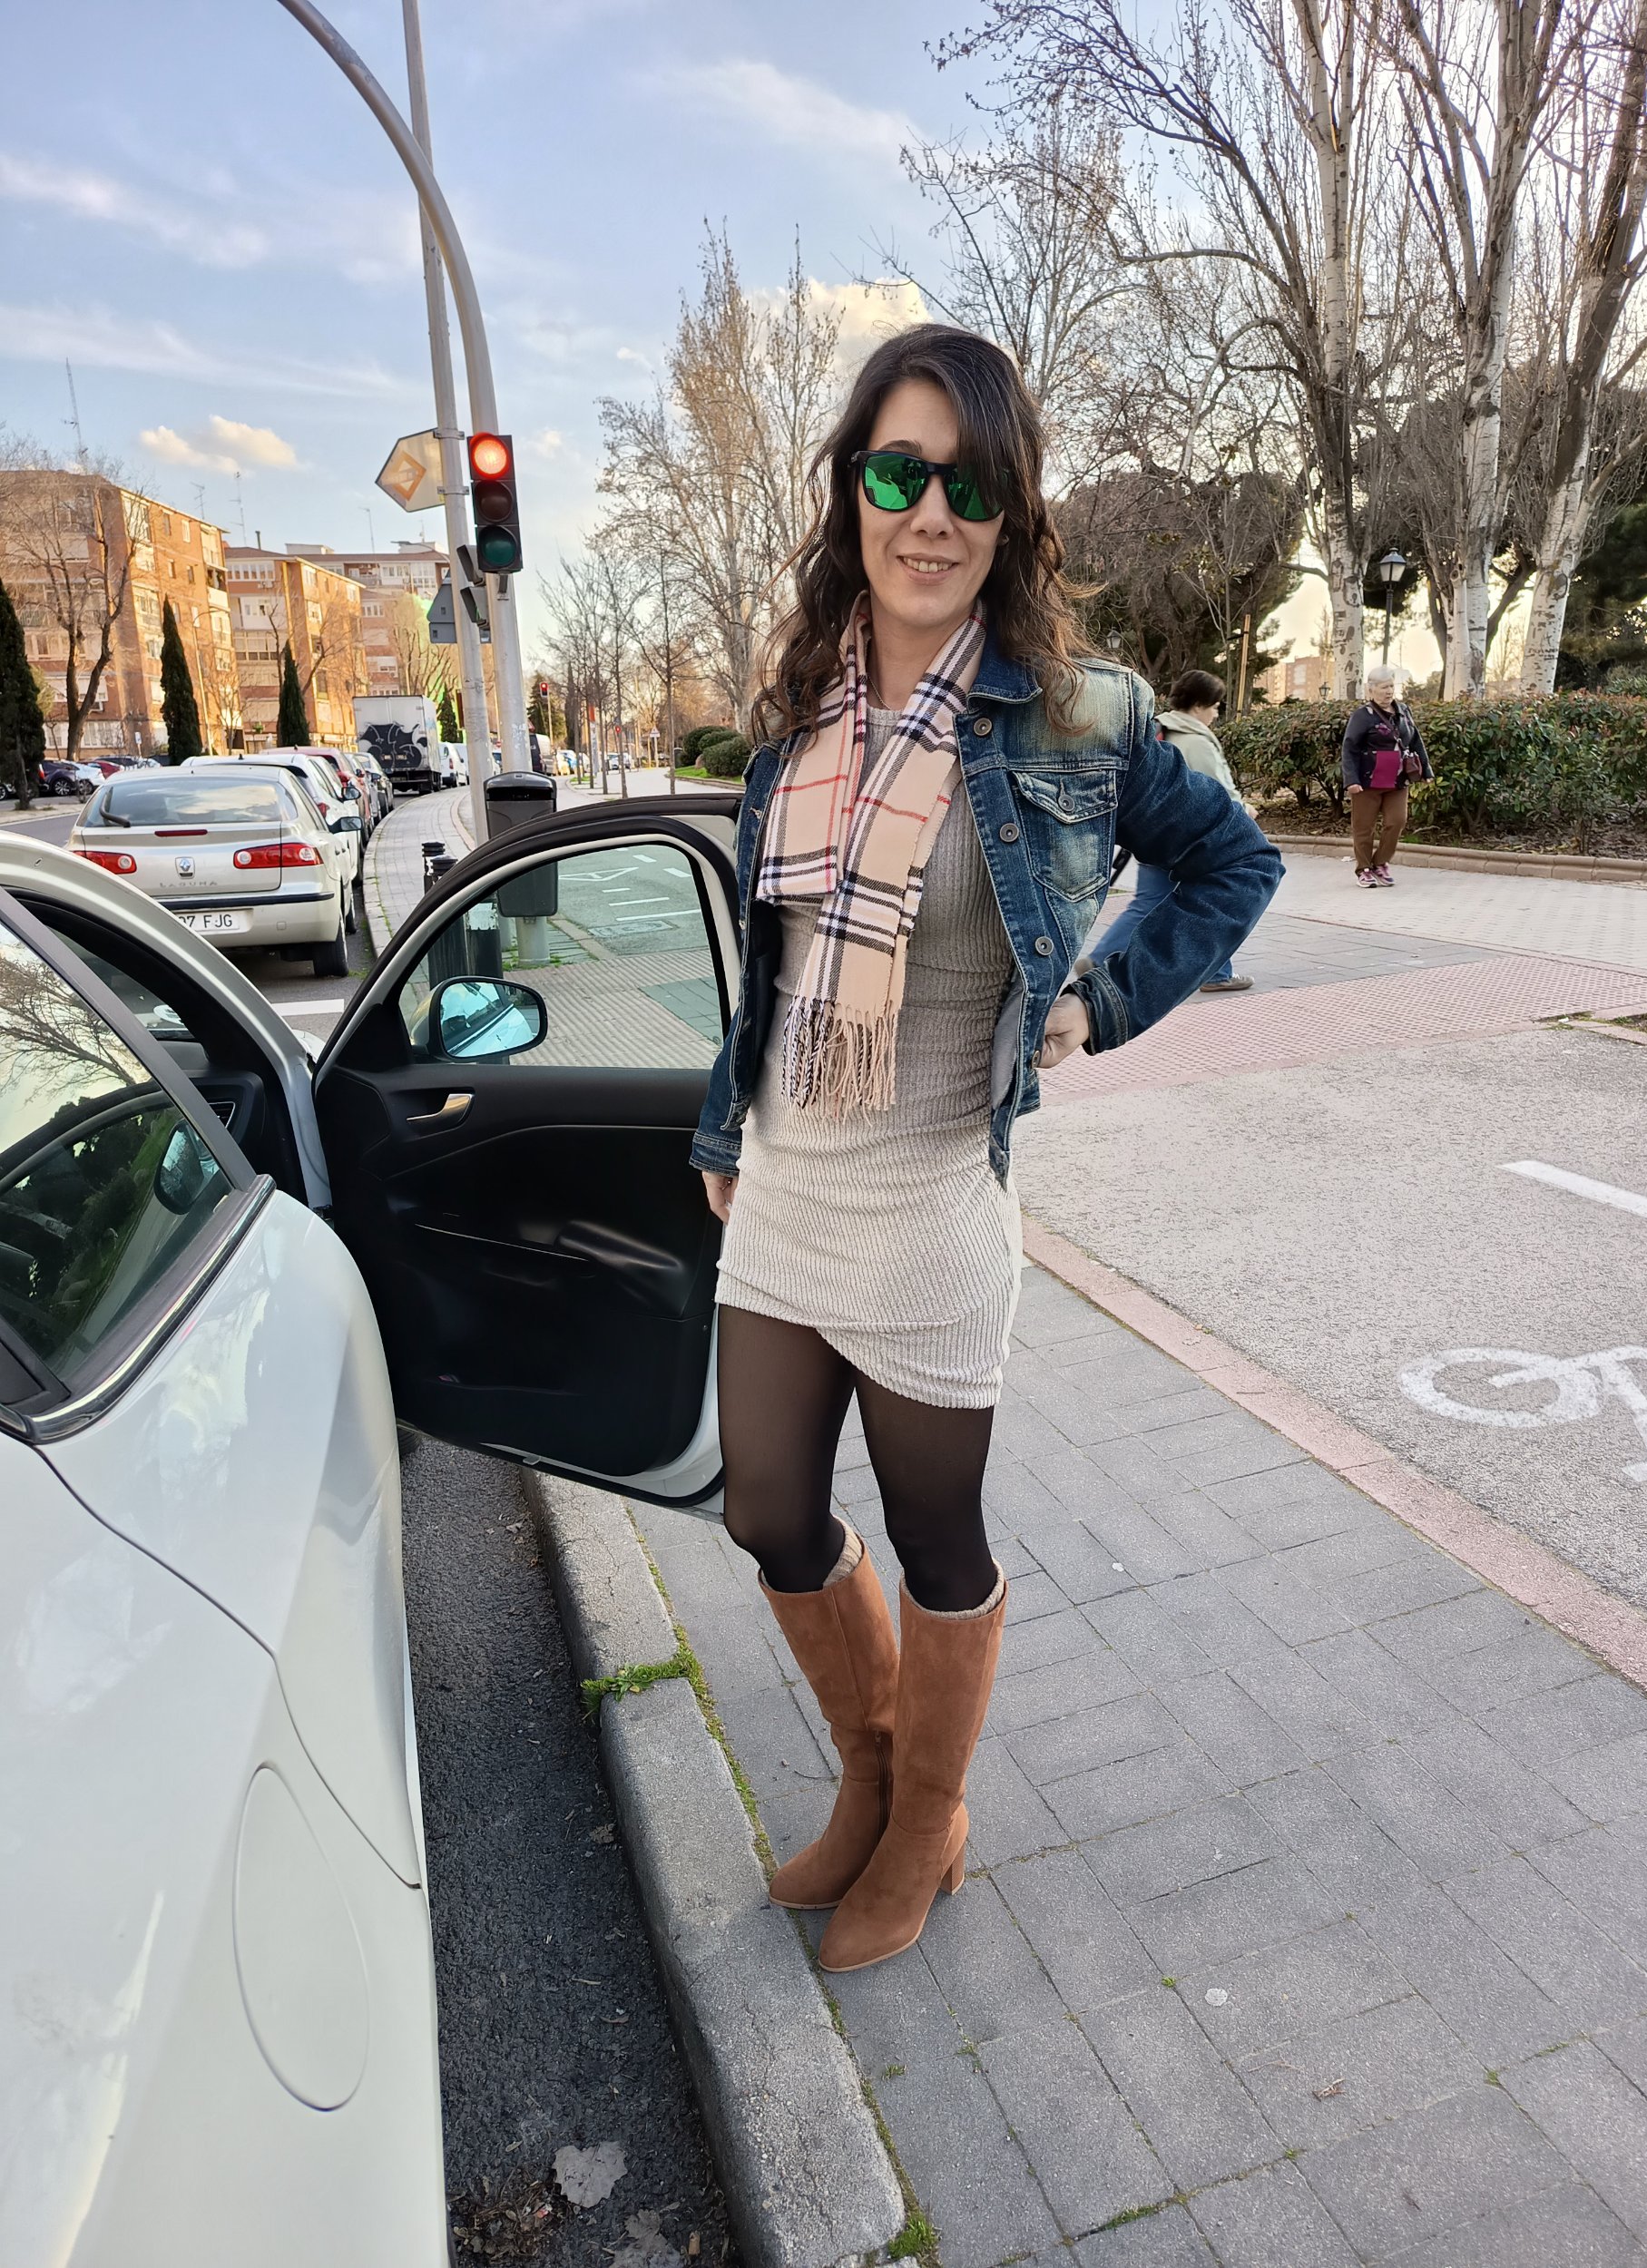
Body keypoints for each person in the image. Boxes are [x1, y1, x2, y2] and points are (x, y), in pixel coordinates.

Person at [692, 324, 1280, 1975]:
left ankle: (930, 1822)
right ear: (853, 492)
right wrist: (721, 1122)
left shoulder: (1082, 717)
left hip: (937, 1194)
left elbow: (1230, 867)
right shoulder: (797, 710)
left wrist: (1099, 1001)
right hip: (790, 1186)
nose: (930, 512)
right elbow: (771, 964)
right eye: (899, 473)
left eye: (970, 481)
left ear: (1014, 510)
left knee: (935, 1537)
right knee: (765, 1510)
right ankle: (874, 1776)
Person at [1093, 669, 1259, 993]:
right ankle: (1216, 974)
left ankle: (1101, 957)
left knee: (1148, 901)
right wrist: (1244, 810)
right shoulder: (1195, 740)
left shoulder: (1161, 729)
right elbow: (1218, 790)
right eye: (1214, 706)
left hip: (1154, 830)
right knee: (1216, 899)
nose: (1216, 713)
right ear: (1198, 705)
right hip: (1192, 837)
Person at [1342, 664, 1432, 885]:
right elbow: (1349, 748)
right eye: (1383, 687)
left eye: (1391, 686)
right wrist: (1351, 780)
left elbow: (1415, 741)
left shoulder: (1403, 711)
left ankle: (1380, 862)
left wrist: (1426, 770)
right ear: (1371, 689)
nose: (1389, 691)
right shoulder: (1362, 716)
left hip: (1397, 780)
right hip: (1368, 781)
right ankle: (1364, 869)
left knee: (1397, 821)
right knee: (1364, 827)